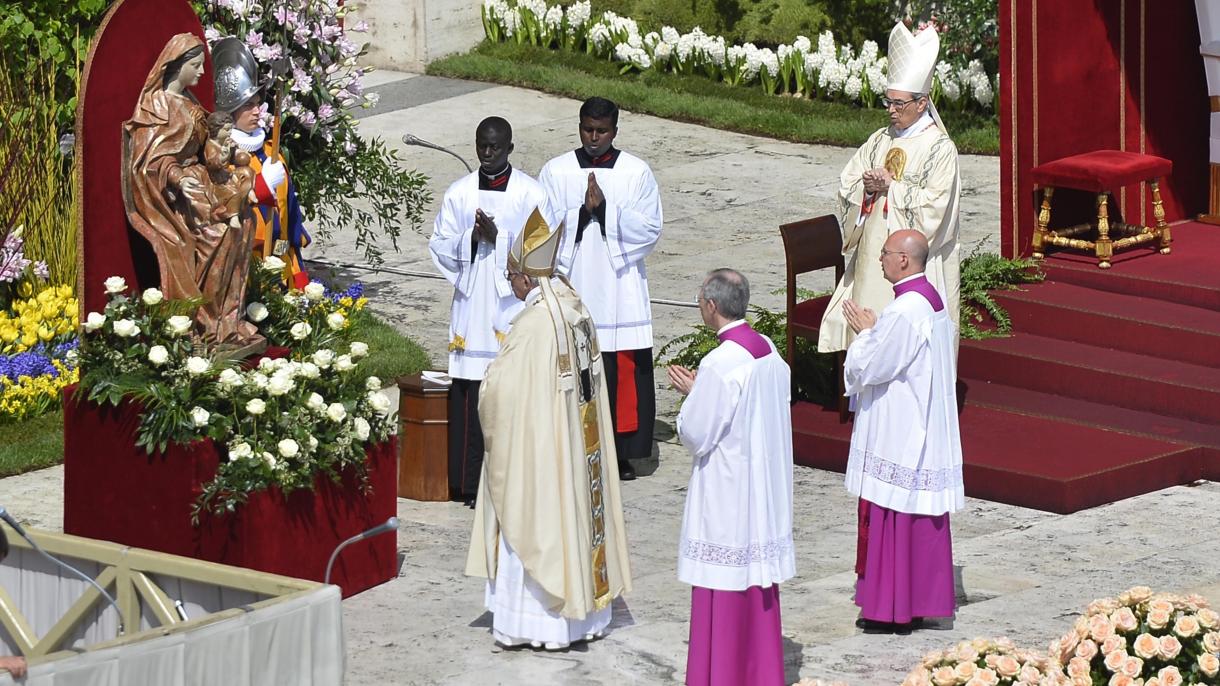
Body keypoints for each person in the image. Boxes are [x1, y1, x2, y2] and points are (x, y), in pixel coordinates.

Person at [466, 209, 632, 650]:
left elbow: (501, 394)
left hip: (543, 447)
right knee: (576, 517)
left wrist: (489, 380)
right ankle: (587, 616)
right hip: (578, 443)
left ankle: (537, 624)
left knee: (541, 519)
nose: (510, 285)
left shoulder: (537, 322)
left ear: (526, 277)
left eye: (511, 276)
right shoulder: (573, 304)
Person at [668, 269, 795, 686]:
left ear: (711, 306)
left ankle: (719, 675)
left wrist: (693, 401)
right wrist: (700, 390)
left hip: (728, 492)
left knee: (722, 585)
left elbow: (697, 434)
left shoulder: (720, 362)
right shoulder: (768, 350)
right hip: (762, 487)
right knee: (754, 583)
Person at [840, 229, 963, 634]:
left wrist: (865, 334)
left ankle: (888, 608)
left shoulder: (906, 310)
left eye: (886, 253)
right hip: (921, 423)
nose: (880, 259)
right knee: (918, 518)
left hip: (900, 431)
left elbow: (871, 367)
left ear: (905, 260)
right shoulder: (930, 299)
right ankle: (916, 602)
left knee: (893, 512)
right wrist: (879, 330)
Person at [539, 97, 664, 481]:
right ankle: (574, 445)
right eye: (587, 129)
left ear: (615, 130)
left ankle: (623, 454)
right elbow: (541, 228)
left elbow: (650, 228)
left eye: (602, 131)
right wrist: (581, 213)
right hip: (573, 280)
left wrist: (606, 212)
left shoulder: (635, 172)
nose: (593, 138)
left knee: (619, 369)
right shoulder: (556, 171)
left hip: (619, 288)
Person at [818, 22, 961, 353]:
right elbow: (847, 183)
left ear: (922, 103)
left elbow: (937, 211)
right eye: (889, 102)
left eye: (899, 104)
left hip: (918, 269)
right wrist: (867, 189)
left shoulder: (941, 149)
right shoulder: (880, 139)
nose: (891, 111)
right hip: (873, 259)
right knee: (869, 346)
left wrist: (891, 188)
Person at [430, 117, 551, 507]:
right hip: (472, 308)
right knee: (468, 395)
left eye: (495, 147)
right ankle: (467, 484)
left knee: (508, 394)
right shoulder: (460, 193)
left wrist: (499, 243)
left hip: (510, 307)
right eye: (481, 145)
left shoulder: (531, 194)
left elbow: (544, 251)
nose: (486, 153)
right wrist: (471, 237)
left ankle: (505, 484)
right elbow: (439, 244)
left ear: (510, 148)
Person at [122, 33, 261, 349]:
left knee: (245, 221)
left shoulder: (191, 103)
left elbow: (207, 147)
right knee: (218, 234)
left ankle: (229, 320)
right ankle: (205, 324)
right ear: (176, 65)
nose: (201, 73)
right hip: (177, 194)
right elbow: (146, 161)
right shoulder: (155, 107)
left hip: (203, 180)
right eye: (196, 66)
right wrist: (175, 176)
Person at [211, 36, 310, 289]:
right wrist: (263, 186)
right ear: (231, 111)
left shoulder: (270, 151)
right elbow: (227, 206)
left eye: (258, 104)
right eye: (249, 106)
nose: (258, 111)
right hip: (248, 264)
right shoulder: (221, 158)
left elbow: (290, 207)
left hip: (283, 256)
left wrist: (294, 243)